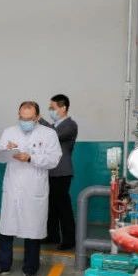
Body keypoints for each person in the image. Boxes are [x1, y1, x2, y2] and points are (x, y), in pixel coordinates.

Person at [0, 101, 61, 276]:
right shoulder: (9, 132)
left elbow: (54, 160)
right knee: (6, 228)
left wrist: (30, 158)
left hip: (34, 188)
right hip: (13, 186)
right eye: (22, 117)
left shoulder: (49, 134)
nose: (25, 121)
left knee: (32, 229)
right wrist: (7, 150)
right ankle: (3, 265)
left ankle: (30, 269)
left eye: (29, 118)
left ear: (37, 117)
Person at [39, 94, 78, 250]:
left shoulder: (70, 125)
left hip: (62, 171)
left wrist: (40, 120)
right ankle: (52, 235)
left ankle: (69, 239)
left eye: (52, 108)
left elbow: (54, 136)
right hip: (50, 170)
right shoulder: (54, 126)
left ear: (63, 108)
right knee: (51, 206)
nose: (50, 110)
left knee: (63, 207)